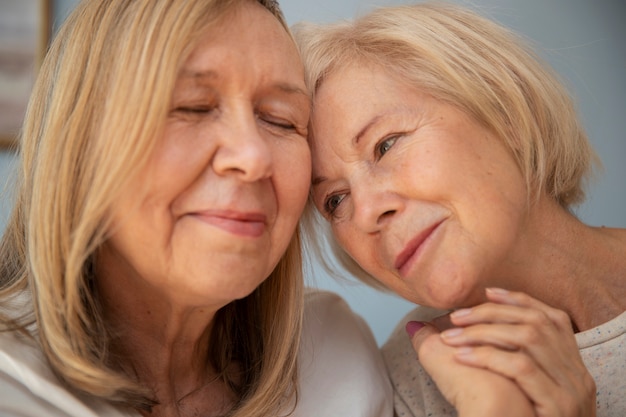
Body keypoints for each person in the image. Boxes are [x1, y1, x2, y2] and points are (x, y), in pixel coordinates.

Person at [0, 0, 393, 416]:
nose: (253, 156)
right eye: (192, 106)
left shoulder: (339, 360)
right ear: (80, 147)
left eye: (280, 120)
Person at [294, 2, 625, 416]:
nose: (364, 213)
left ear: (505, 112)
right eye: (335, 200)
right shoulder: (403, 388)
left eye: (386, 144)